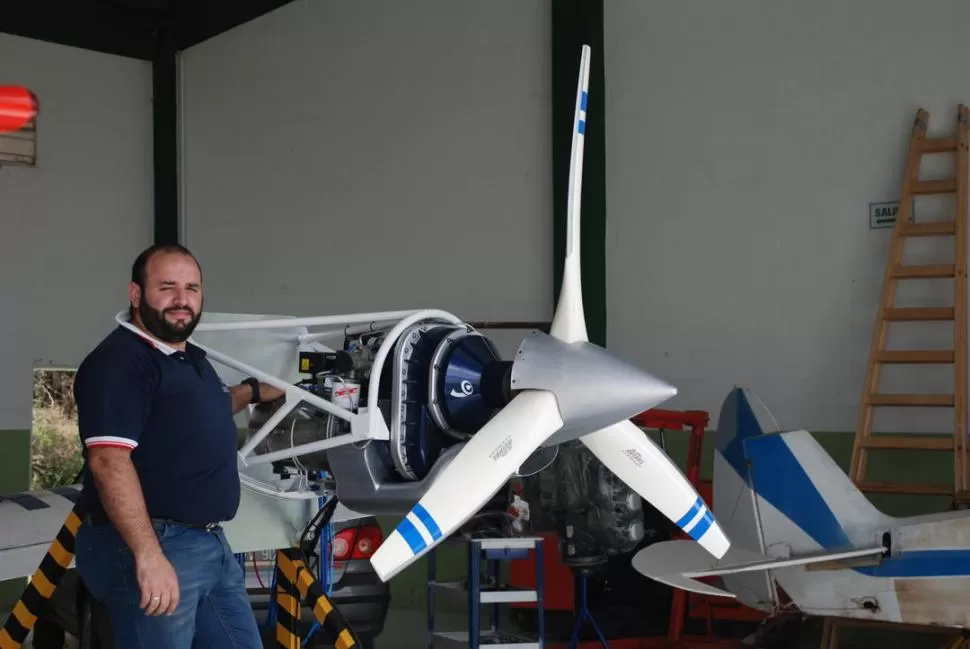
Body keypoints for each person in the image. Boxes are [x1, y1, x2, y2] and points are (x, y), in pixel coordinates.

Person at [72, 243, 285, 648]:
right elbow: (108, 461)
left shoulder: (190, 361)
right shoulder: (123, 361)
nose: (181, 300)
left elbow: (218, 403)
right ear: (136, 294)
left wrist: (257, 390)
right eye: (167, 287)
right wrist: (148, 555)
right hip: (156, 544)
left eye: (192, 288)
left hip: (209, 545)